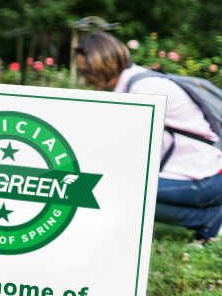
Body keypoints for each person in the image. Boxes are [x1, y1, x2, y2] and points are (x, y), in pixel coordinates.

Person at [76, 32, 222, 242]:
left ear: (103, 64)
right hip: (199, 175)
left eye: (87, 72)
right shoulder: (134, 85)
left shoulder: (143, 90)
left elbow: (125, 151)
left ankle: (209, 218)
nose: (85, 79)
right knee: (108, 185)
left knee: (107, 188)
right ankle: (208, 215)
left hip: (207, 179)